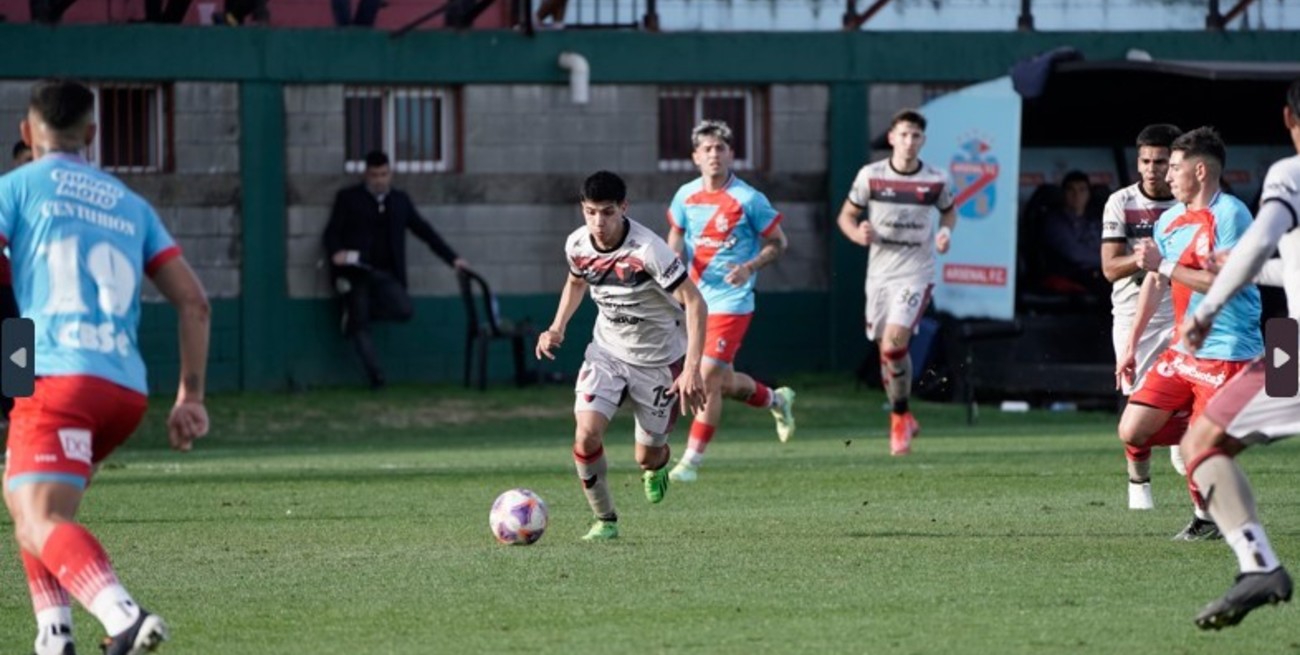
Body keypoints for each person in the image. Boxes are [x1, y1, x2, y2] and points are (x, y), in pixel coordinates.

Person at [0, 79, 211, 655]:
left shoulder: (15, 190)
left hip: (60, 379)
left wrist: (13, 379)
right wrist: (190, 397)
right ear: (92, 135)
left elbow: (8, 302)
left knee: (39, 513)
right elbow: (195, 303)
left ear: (26, 133)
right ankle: (53, 635)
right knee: (27, 498)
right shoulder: (130, 204)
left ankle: (123, 616)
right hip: (123, 390)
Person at [1176, 80, 1300, 630]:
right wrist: (1243, 264)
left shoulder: (1289, 173)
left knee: (1199, 442)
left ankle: (1258, 565)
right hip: (1288, 344)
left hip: (1293, 345)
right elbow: (1282, 265)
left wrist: (1207, 307)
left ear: (1289, 119)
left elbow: (1262, 238)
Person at [535, 170, 706, 541]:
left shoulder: (649, 251)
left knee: (646, 456)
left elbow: (695, 302)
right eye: (591, 212)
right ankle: (605, 519)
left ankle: (657, 465)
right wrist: (557, 327)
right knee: (586, 436)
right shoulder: (577, 244)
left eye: (608, 212)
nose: (599, 221)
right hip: (607, 353)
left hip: (659, 362)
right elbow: (577, 281)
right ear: (583, 209)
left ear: (624, 208)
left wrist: (691, 368)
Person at [1118, 126, 1263, 540]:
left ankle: (1207, 521)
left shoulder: (1232, 214)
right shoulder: (1168, 219)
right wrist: (1131, 344)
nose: (1166, 176)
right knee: (1132, 430)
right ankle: (1209, 428)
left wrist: (1161, 266)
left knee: (1195, 452)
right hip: (1184, 350)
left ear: (1200, 172)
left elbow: (1225, 283)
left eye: (1175, 167)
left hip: (1228, 351)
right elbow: (1154, 280)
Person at [663, 120, 796, 483]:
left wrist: (750, 265)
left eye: (720, 148)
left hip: (733, 302)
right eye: (706, 149)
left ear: (731, 154)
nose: (714, 154)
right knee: (723, 382)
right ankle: (776, 400)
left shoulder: (749, 199)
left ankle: (690, 462)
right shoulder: (686, 196)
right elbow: (674, 240)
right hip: (695, 302)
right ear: (695, 157)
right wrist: (669, 279)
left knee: (705, 378)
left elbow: (779, 243)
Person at [835, 108, 956, 456]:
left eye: (915, 136)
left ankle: (898, 418)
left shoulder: (936, 179)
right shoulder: (870, 176)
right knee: (886, 352)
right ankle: (903, 414)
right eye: (903, 134)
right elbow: (846, 215)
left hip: (915, 272)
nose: (909, 141)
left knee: (893, 344)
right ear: (891, 138)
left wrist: (945, 233)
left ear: (923, 141)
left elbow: (949, 210)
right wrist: (858, 233)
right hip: (879, 275)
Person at [323, 150, 469, 389]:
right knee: (360, 326)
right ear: (366, 175)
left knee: (403, 310)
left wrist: (453, 259)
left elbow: (425, 232)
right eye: (374, 175)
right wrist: (336, 253)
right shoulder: (349, 199)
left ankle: (356, 314)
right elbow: (331, 234)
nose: (379, 180)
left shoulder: (399, 201)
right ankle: (376, 377)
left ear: (390, 174)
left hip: (386, 274)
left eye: (383, 174)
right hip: (357, 272)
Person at [1099, 124, 1187, 510]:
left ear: (1176, 164)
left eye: (1161, 161)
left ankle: (1188, 444)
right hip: (1132, 310)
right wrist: (1143, 259)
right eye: (1146, 161)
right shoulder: (1120, 202)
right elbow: (1108, 269)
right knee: (1136, 401)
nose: (1152, 169)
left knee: (1188, 387)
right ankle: (1140, 487)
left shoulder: (1192, 204)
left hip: (1182, 310)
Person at [1044, 170, 1107, 295]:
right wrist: (1110, 261)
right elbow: (1075, 254)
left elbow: (1107, 245)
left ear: (1089, 194)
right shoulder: (1054, 221)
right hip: (1072, 274)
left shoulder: (1094, 221)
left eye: (1082, 190)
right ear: (1063, 193)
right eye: (1071, 190)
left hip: (1099, 271)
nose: (1077, 195)